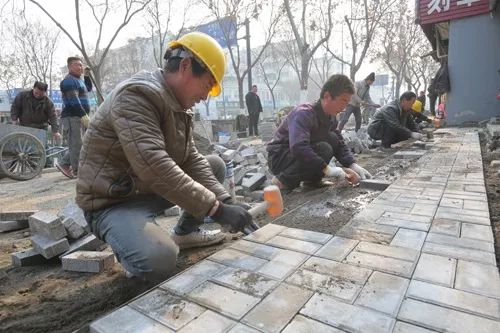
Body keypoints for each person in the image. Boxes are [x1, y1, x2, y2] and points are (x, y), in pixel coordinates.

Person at [75, 32, 257, 283]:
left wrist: (225, 199)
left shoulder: (180, 105)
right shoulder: (137, 96)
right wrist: (216, 209)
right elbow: (153, 164)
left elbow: (190, 157)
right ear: (185, 67)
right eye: (206, 85)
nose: (205, 96)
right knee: (160, 259)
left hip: (145, 189)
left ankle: (184, 233)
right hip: (112, 200)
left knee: (213, 165)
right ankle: (131, 252)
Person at [267, 74, 372, 193]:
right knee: (324, 148)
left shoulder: (331, 117)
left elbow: (339, 141)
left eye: (347, 102)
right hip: (279, 156)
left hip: (295, 157)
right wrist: (327, 169)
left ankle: (312, 181)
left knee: (332, 138)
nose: (344, 107)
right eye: (343, 101)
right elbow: (298, 147)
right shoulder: (304, 113)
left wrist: (352, 164)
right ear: (327, 96)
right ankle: (282, 181)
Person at [55, 56, 93, 179]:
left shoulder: (79, 80)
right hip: (73, 117)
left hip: (80, 116)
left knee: (84, 143)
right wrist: (83, 115)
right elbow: (74, 101)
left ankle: (65, 163)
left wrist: (87, 76)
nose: (80, 67)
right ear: (70, 66)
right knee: (77, 143)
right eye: (77, 65)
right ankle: (76, 170)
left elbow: (88, 89)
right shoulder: (69, 81)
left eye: (81, 65)